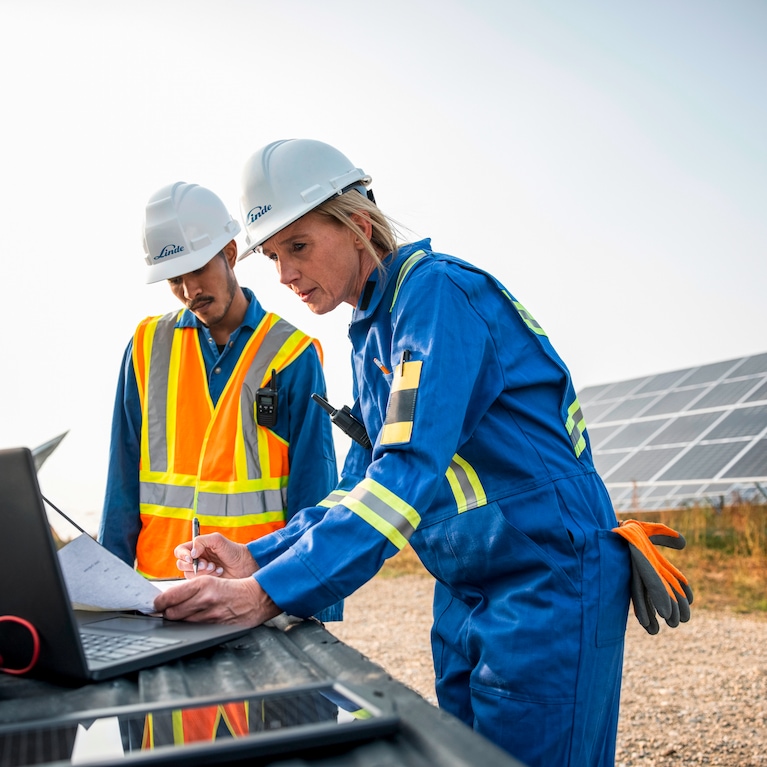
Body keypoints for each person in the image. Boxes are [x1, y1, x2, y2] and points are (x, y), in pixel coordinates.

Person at [155, 141, 691, 766]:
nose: (284, 274)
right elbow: (360, 486)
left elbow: (406, 474)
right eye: (272, 256)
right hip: (468, 587)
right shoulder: (373, 333)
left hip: (548, 579)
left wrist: (271, 593)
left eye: (297, 246)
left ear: (357, 224)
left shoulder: (435, 298)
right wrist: (254, 555)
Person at [99, 180, 341, 622]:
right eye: (175, 279)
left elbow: (314, 488)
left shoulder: (292, 354)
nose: (190, 290)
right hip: (162, 592)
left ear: (230, 253)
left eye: (198, 269)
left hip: (257, 596)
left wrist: (311, 610)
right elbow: (122, 480)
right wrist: (106, 595)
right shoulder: (146, 346)